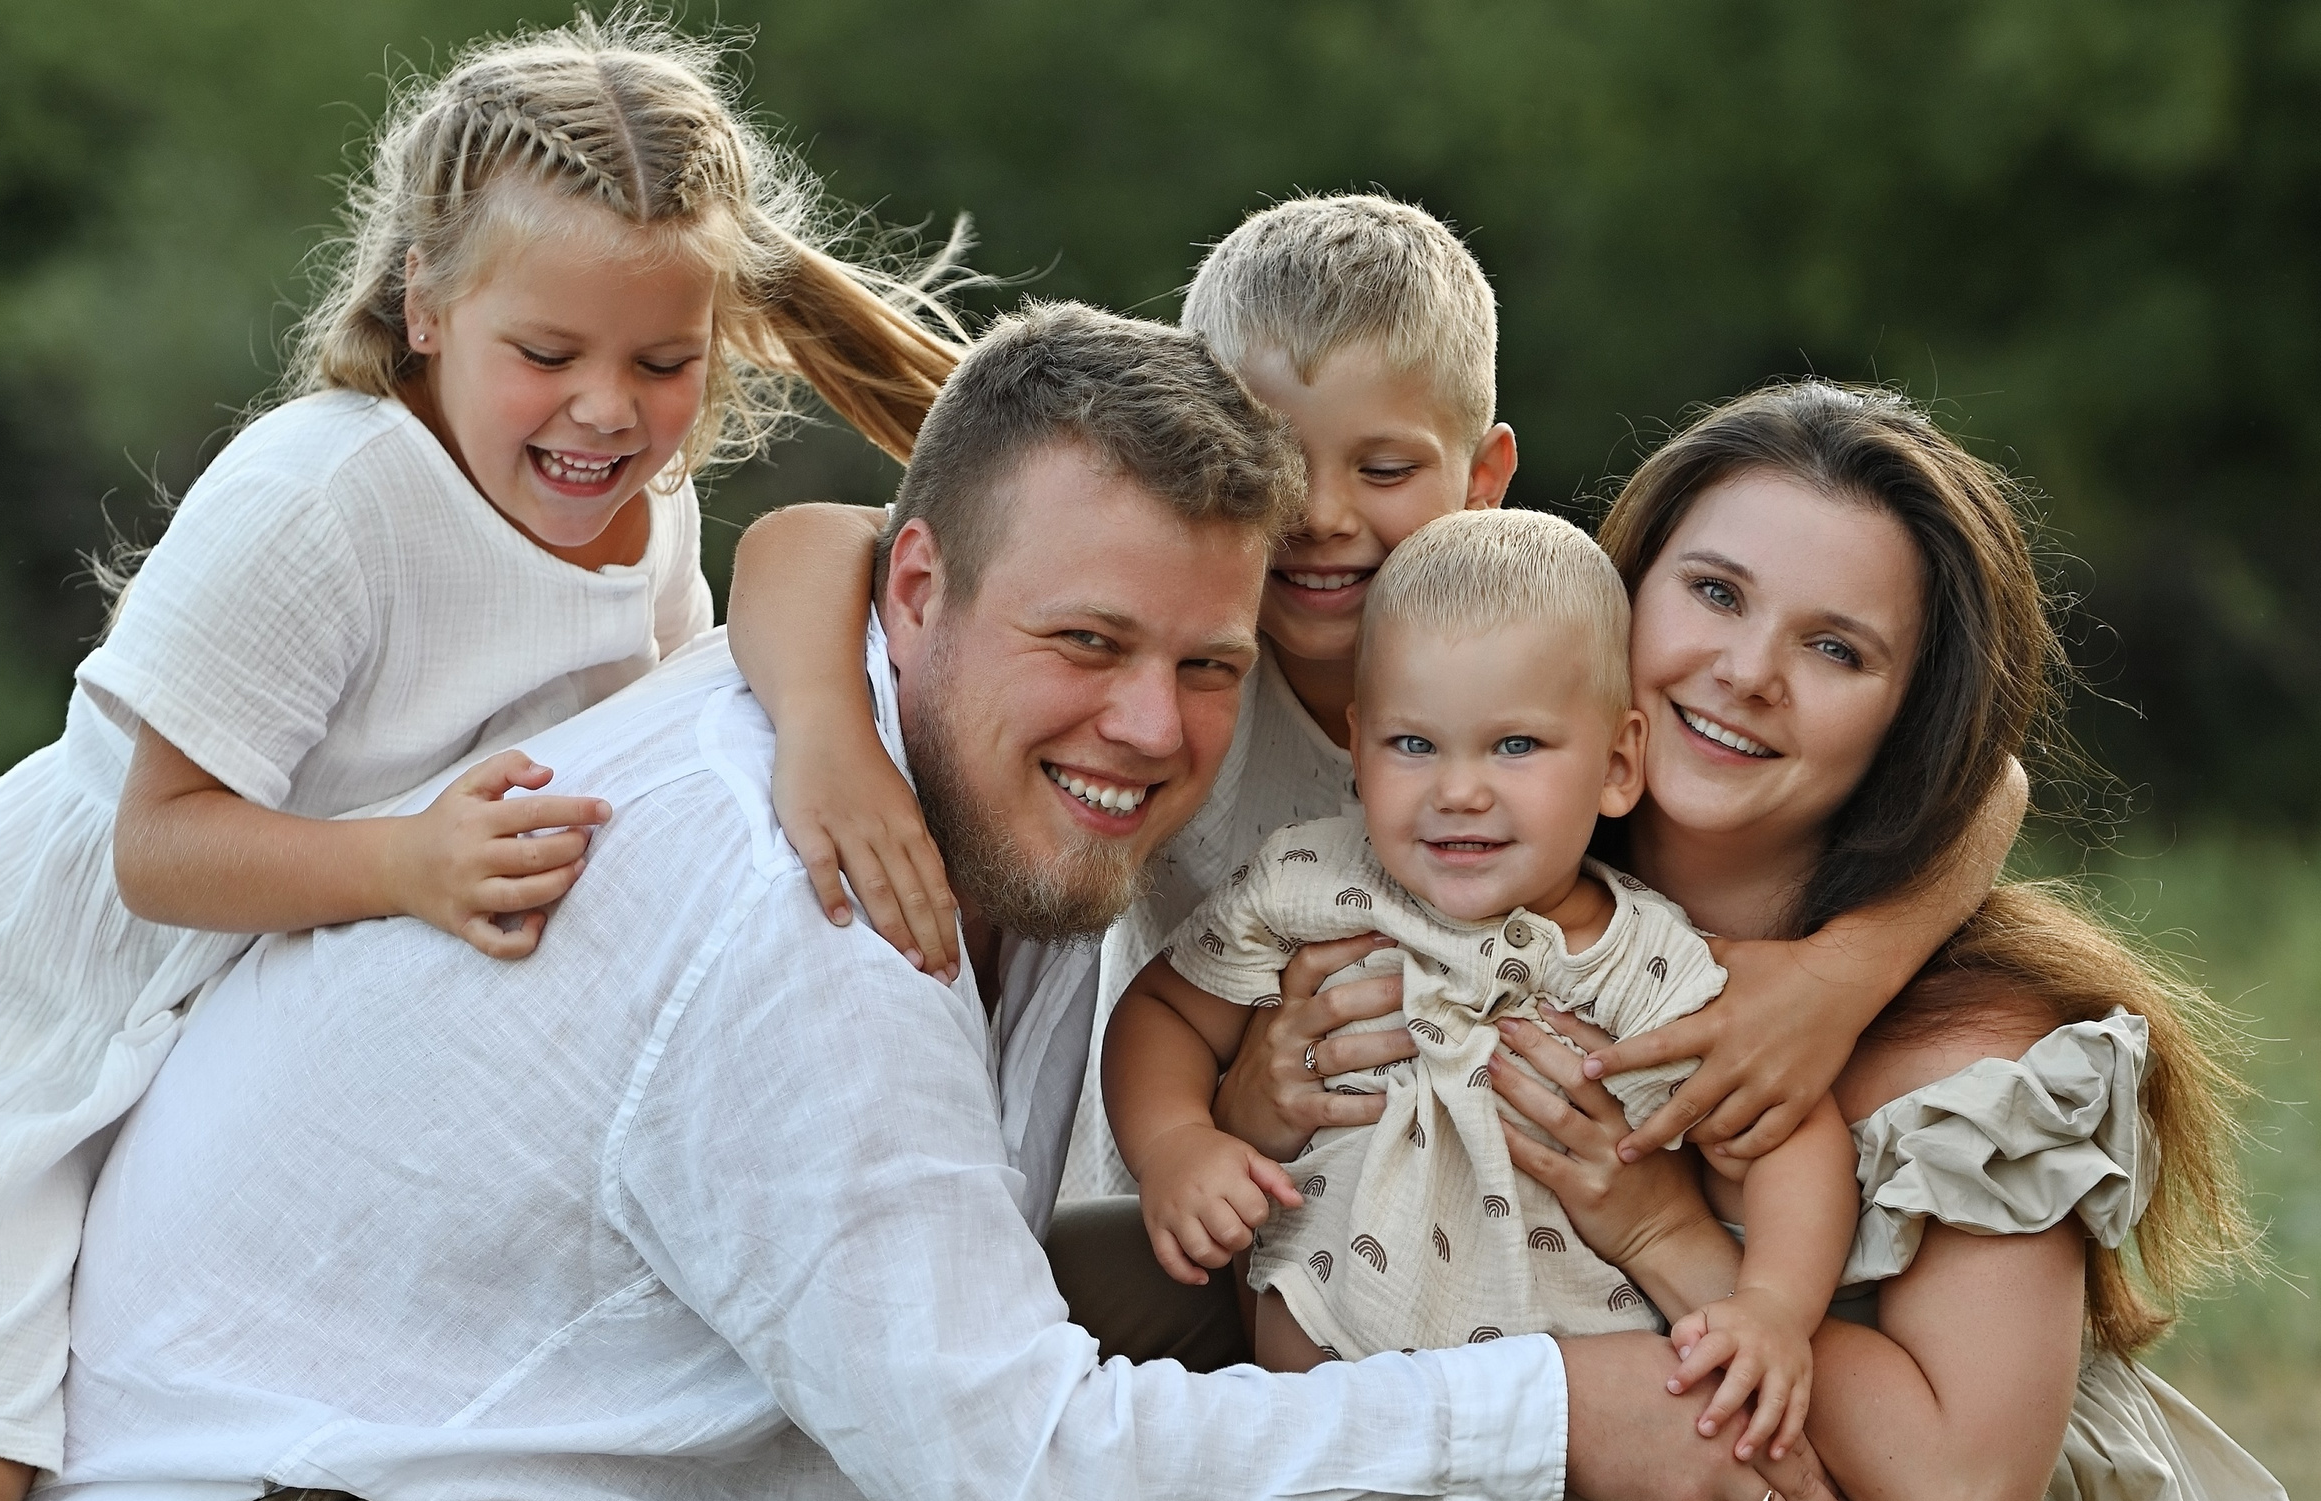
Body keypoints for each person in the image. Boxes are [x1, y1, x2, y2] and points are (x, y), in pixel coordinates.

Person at [0, 305, 1864, 1501]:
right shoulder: (800, 913)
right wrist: (1559, 1410)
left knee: (1250, 1299)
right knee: (1211, 1453)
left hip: (643, 1470)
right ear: (920, 584)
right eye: (1086, 646)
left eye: (1205, 664)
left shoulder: (965, 746)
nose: (1149, 728)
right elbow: (1036, 1483)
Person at [0, 15, 971, 1501]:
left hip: (261, 1052)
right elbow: (155, 848)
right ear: (424, 304)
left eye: (666, 363)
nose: (609, 414)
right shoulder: (328, 493)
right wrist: (407, 864)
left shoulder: (650, 519)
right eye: (549, 351)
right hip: (54, 1008)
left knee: (130, 1464)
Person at [1197, 381, 2300, 1501]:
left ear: (1911, 714)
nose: (1748, 669)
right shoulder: (1469, 849)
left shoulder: (1972, 1049)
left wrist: (1667, 1236)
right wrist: (1252, 1099)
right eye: (1714, 593)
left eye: (1839, 650)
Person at [726, 195, 2019, 1210]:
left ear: (1482, 475)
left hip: (1506, 1200)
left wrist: (1842, 978)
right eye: (1278, 461)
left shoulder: (1531, 636)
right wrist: (829, 730)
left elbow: (1989, 783)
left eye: (1385, 467)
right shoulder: (1171, 674)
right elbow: (809, 539)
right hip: (1216, 1193)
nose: (1325, 513)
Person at [1103, 509, 1857, 1501]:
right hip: (1277, 1469)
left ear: (1616, 763)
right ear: (1355, 746)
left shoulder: (1636, 967)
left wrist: (1770, 1307)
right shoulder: (1312, 881)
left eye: (1514, 746)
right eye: (1413, 743)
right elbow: (1161, 1013)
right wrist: (1177, 1143)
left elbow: (1796, 1134)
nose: (1458, 792)